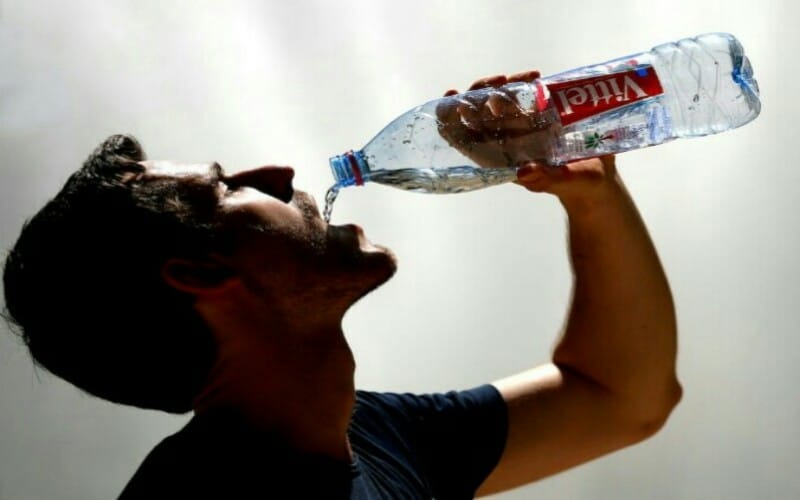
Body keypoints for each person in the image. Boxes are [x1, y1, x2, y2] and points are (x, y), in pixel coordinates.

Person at [2, 72, 681, 499]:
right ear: (203, 274)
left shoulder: (372, 435)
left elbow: (621, 396)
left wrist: (592, 193)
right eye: (225, 188)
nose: (276, 173)